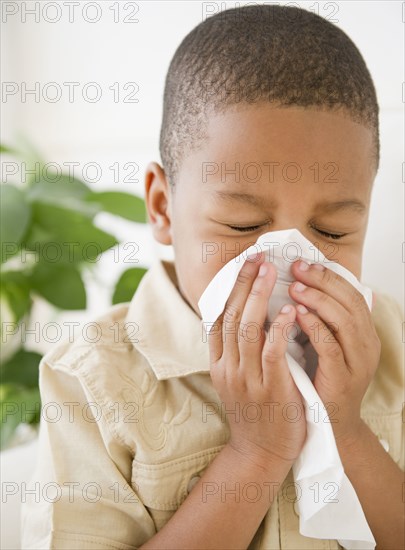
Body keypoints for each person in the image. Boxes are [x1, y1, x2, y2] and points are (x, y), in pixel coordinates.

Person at [21, 4, 404, 549]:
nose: (289, 261)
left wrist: (347, 430)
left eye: (334, 230)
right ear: (162, 207)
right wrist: (258, 454)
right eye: (242, 223)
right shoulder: (93, 383)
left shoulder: (392, 339)